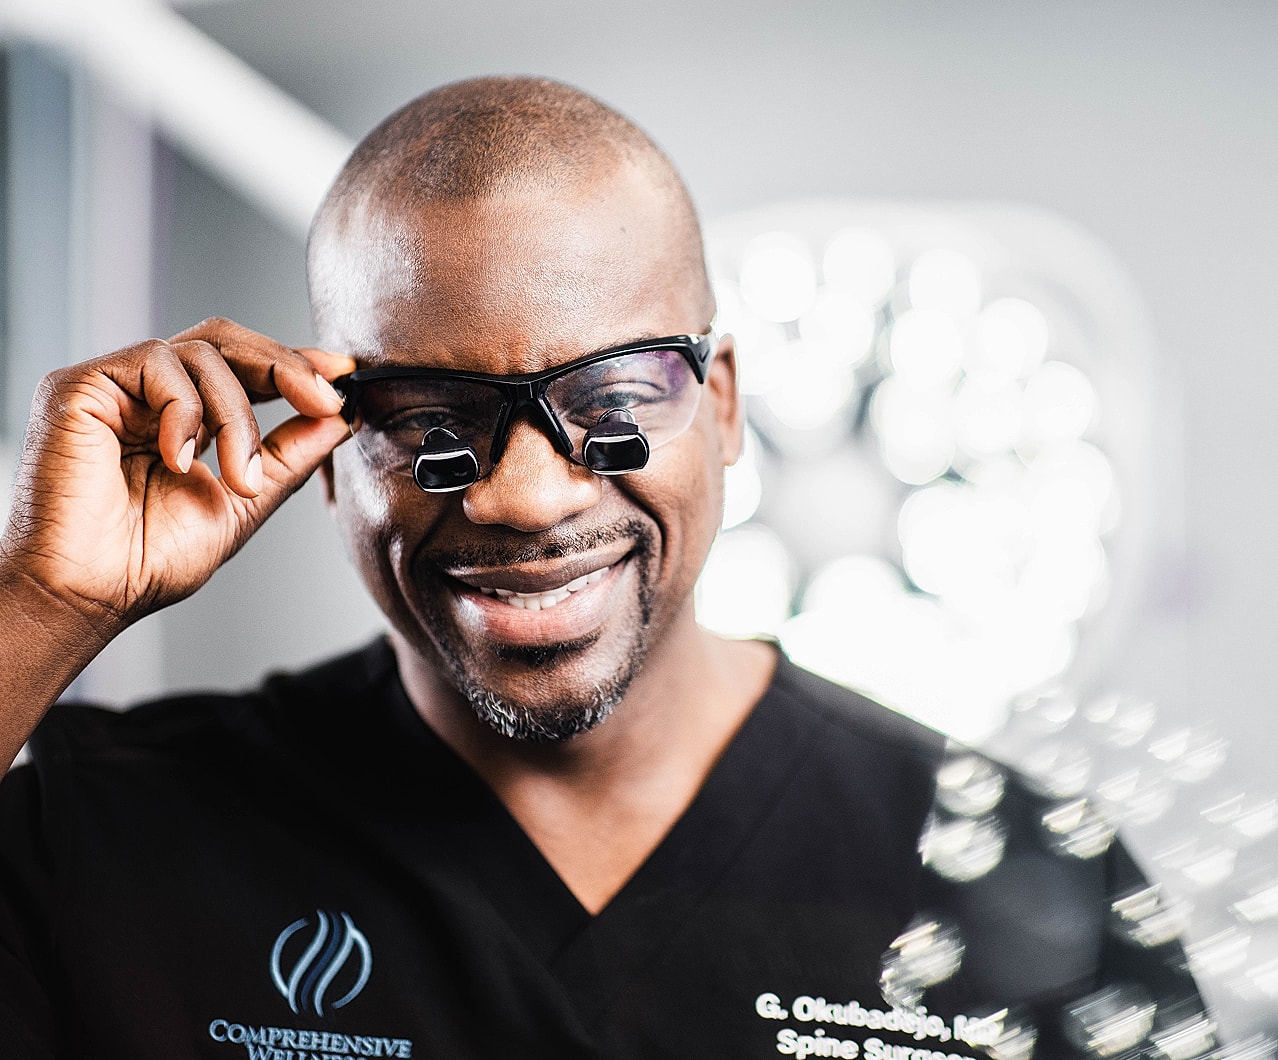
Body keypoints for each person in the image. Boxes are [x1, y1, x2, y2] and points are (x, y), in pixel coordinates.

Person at [0, 77, 1208, 1059]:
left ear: (724, 408)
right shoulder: (103, 836)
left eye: (615, 399)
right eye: (427, 418)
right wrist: (40, 605)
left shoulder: (1032, 883)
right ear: (324, 451)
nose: (526, 494)